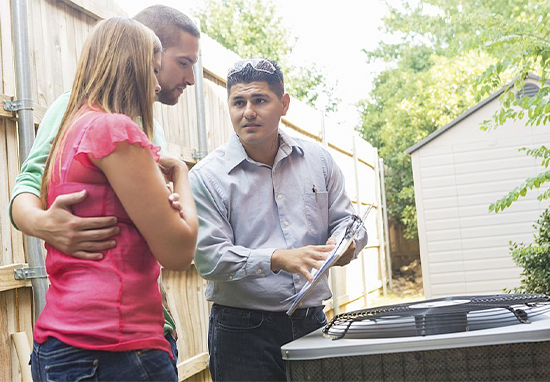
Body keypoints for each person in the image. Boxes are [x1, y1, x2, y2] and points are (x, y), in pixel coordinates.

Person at [9, 4, 200, 368]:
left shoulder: (135, 124)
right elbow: (30, 182)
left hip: (89, 326)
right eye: (181, 63)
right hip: (113, 338)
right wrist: (42, 223)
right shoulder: (88, 117)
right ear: (141, 55)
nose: (187, 79)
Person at [189, 58, 369, 381]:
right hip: (241, 332)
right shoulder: (206, 177)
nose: (248, 112)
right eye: (238, 102)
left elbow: (350, 222)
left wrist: (346, 244)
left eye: (259, 100)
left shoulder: (318, 161)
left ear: (284, 104)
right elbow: (209, 258)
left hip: (313, 322)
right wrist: (276, 259)